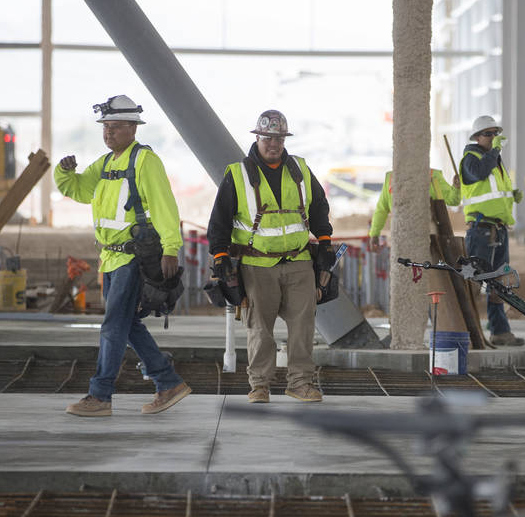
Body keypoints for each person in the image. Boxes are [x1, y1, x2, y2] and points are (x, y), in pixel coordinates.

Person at [54, 94, 191, 417]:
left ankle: (100, 396)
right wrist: (64, 173)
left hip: (132, 258)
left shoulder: (145, 161)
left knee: (113, 326)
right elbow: (81, 190)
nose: (108, 133)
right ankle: (167, 382)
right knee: (127, 325)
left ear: (132, 128)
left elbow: (164, 206)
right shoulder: (104, 165)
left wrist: (171, 248)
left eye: (115, 127)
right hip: (111, 259)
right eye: (105, 127)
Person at [207, 110, 335, 403]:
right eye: (267, 138)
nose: (273, 144)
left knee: (303, 325)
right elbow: (219, 222)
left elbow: (318, 208)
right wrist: (220, 257)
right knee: (259, 328)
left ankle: (300, 383)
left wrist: (325, 241)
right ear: (257, 137)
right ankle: (260, 385)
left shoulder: (300, 169)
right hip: (256, 264)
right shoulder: (237, 174)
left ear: (284, 139)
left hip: (299, 261)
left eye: (278, 138)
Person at [460, 115, 525, 346]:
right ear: (477, 137)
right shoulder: (471, 158)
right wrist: (494, 152)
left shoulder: (494, 161)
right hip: (481, 229)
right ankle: (464, 330)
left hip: (498, 229)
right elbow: (478, 174)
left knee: (500, 282)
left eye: (495, 133)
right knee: (474, 281)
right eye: (488, 134)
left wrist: (512, 195)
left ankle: (499, 331)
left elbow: (495, 193)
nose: (493, 137)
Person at [368, 168, 461, 251]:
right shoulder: (391, 178)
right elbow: (381, 210)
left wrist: (456, 188)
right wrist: (374, 233)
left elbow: (452, 200)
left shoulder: (432, 175)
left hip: (428, 237)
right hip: (402, 238)